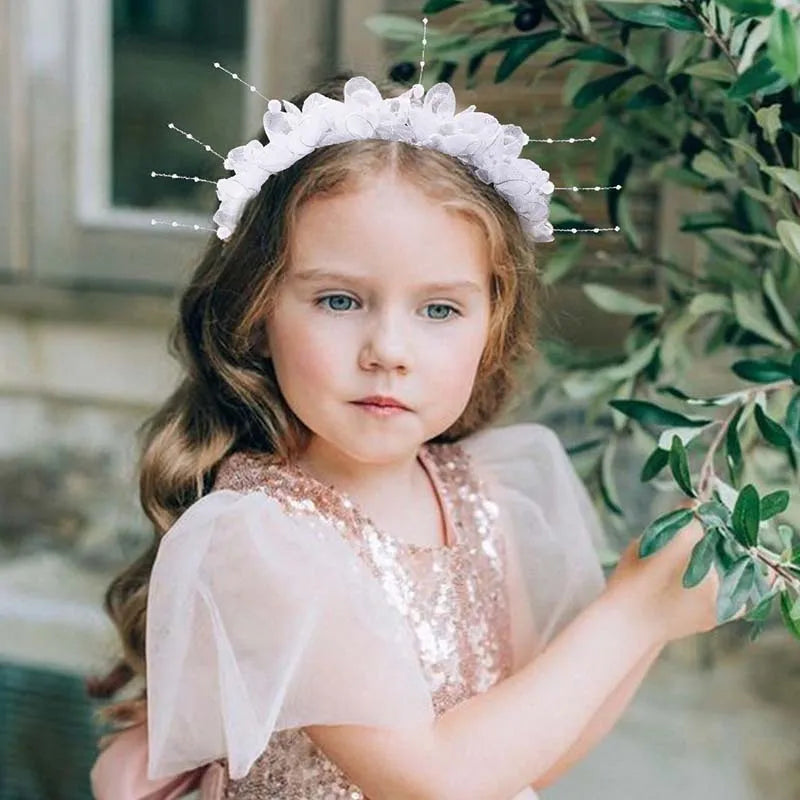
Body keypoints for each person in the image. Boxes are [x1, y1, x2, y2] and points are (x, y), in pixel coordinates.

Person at [88, 72, 739, 800]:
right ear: (257, 314)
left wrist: (650, 620)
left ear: (491, 328)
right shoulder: (260, 538)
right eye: (339, 299)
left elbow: (524, 758)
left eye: (438, 310)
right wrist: (629, 616)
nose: (388, 349)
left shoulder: (486, 495)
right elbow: (427, 781)